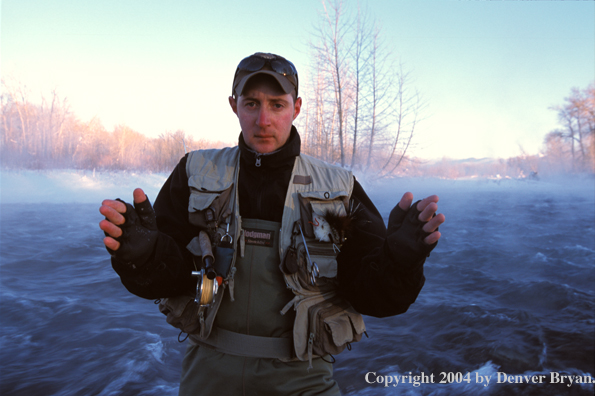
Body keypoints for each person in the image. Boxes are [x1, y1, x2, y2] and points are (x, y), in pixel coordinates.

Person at [99, 52, 445, 395]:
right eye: (252, 104)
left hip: (304, 377)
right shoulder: (194, 173)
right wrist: (141, 258)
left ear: (296, 108)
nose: (263, 120)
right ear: (234, 106)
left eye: (277, 105)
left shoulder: (337, 190)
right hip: (208, 372)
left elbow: (371, 296)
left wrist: (401, 263)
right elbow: (170, 279)